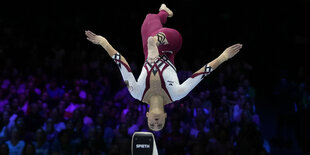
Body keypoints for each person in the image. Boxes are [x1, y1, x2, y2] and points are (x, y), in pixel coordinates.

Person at [85, 4, 242, 131]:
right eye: (159, 125)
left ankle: (163, 13)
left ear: (147, 116)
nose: (156, 123)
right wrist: (224, 57)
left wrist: (103, 43)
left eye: (152, 124)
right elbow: (202, 73)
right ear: (165, 116)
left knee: (149, 19)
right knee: (155, 37)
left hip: (149, 51)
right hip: (171, 45)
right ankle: (155, 41)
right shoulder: (176, 94)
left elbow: (122, 64)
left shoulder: (137, 92)